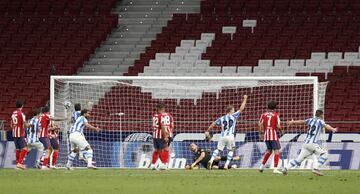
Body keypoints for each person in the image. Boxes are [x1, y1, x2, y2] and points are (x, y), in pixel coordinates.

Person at [282, 110, 338, 176]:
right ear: (321, 115)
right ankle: (316, 168)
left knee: (298, 160)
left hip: (305, 144)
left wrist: (293, 122)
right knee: (325, 154)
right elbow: (326, 126)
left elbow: (301, 121)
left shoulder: (310, 120)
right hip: (312, 144)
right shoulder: (320, 121)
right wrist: (332, 129)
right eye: (323, 115)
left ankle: (285, 168)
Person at [205, 95, 248, 170]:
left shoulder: (221, 118)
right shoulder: (234, 116)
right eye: (233, 110)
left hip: (222, 136)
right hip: (230, 136)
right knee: (230, 151)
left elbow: (213, 124)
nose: (234, 111)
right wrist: (245, 99)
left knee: (218, 149)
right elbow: (241, 109)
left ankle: (211, 160)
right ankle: (226, 165)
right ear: (230, 111)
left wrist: (207, 130)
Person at [258, 100, 284, 174]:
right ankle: (275, 168)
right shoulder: (276, 115)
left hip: (266, 136)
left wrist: (260, 134)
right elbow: (278, 126)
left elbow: (260, 125)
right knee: (276, 151)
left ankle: (261, 166)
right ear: (275, 107)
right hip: (273, 135)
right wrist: (282, 131)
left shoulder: (263, 114)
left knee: (269, 150)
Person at [150, 103, 173, 170]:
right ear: (163, 108)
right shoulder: (169, 116)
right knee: (165, 149)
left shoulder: (154, 116)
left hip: (155, 135)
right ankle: (164, 164)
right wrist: (166, 135)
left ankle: (153, 164)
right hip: (164, 135)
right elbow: (169, 126)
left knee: (157, 150)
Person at [10, 100, 30, 170]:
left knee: (18, 149)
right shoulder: (21, 114)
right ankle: (19, 163)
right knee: (24, 149)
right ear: (22, 106)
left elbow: (11, 124)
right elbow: (24, 125)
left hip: (14, 133)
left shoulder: (13, 113)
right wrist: (29, 125)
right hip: (20, 133)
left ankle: (17, 165)